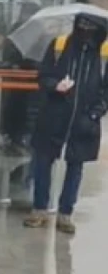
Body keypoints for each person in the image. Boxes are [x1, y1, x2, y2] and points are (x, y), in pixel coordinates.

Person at [24, 14, 108, 234]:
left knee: (75, 165)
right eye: (82, 26)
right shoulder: (59, 45)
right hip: (54, 113)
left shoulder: (104, 54)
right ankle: (39, 208)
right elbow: (43, 76)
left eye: (91, 28)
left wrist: (95, 113)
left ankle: (65, 213)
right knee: (43, 160)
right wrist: (55, 85)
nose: (85, 32)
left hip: (84, 118)